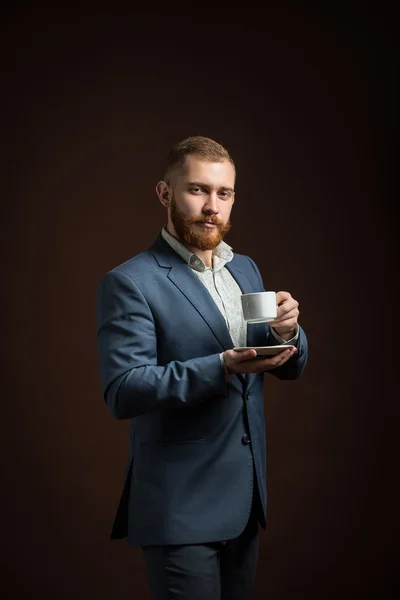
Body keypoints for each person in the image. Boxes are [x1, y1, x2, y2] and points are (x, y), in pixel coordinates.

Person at [96, 136, 308, 599]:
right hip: (180, 508)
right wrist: (220, 367)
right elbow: (123, 389)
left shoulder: (245, 270)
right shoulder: (131, 282)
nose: (212, 206)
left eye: (224, 193)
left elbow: (285, 366)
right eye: (197, 190)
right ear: (165, 193)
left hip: (246, 502)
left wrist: (288, 332)